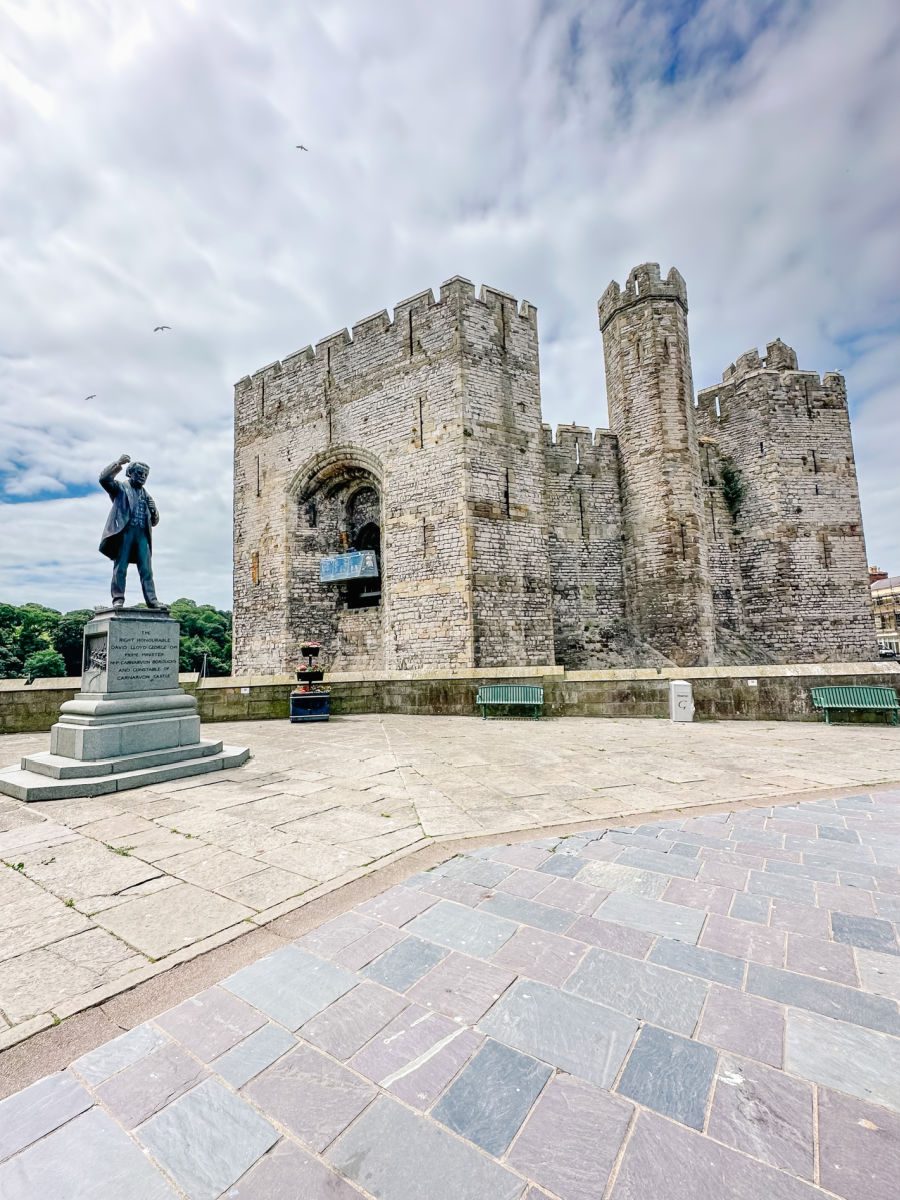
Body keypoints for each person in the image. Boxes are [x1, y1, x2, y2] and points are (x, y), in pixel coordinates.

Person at [98, 454, 165, 609]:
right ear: (130, 473)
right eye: (139, 473)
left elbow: (154, 522)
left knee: (147, 570)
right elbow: (103, 479)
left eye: (145, 475)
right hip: (125, 532)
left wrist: (153, 508)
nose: (142, 477)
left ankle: (152, 600)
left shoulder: (147, 495)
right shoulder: (120, 488)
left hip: (142, 535)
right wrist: (118, 463)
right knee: (120, 568)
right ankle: (118, 599)